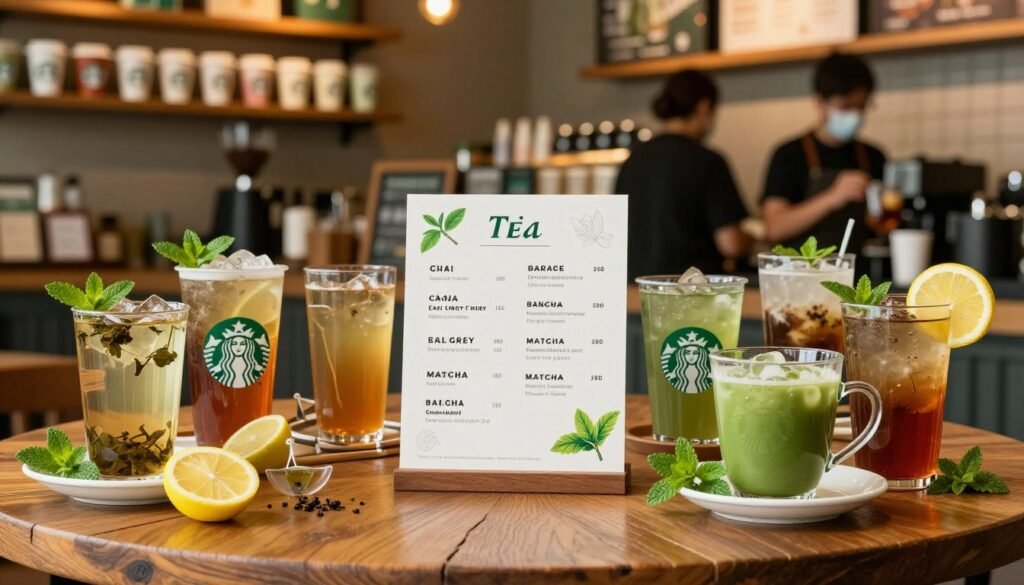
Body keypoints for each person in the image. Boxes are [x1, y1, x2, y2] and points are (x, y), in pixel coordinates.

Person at [615, 69, 750, 280]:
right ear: (704, 107)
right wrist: (752, 239)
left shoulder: (633, 159)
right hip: (688, 294)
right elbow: (731, 244)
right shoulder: (707, 161)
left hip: (634, 290)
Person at [761, 53, 886, 253]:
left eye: (861, 106)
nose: (855, 115)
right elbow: (774, 228)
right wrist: (833, 197)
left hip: (860, 275)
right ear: (819, 101)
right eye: (845, 106)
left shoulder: (874, 156)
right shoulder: (789, 155)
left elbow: (883, 226)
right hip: (803, 273)